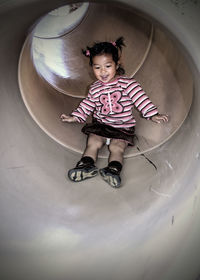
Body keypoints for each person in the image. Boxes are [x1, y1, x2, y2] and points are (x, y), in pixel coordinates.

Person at [60, 37, 169, 188]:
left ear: (117, 65)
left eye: (107, 66)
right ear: (92, 68)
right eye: (97, 67)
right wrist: (76, 116)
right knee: (93, 142)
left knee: (116, 147)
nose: (103, 71)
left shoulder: (127, 84)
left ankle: (113, 170)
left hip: (122, 128)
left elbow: (140, 98)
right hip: (101, 125)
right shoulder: (94, 88)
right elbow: (88, 104)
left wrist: (152, 114)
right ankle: (86, 166)